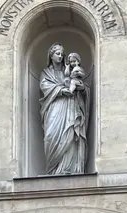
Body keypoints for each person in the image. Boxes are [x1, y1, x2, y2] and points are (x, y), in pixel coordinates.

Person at [39, 43, 90, 175]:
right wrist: (61, 90)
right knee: (50, 136)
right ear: (51, 55)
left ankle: (69, 168)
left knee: (71, 134)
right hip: (55, 106)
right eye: (57, 54)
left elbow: (82, 84)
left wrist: (82, 88)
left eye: (62, 54)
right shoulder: (46, 73)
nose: (61, 56)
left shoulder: (69, 70)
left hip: (71, 105)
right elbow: (45, 86)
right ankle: (53, 170)